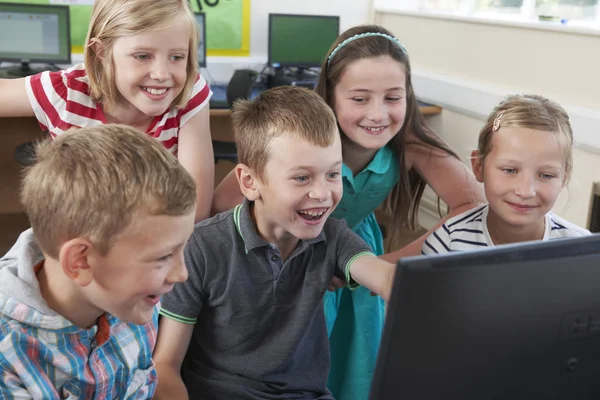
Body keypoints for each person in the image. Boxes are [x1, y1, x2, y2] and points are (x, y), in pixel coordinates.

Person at [211, 25, 485, 399]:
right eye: (359, 98)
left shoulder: (411, 142)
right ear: (329, 97)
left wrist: (389, 262)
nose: (378, 113)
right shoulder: (297, 140)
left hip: (357, 255)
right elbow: (224, 203)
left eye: (393, 97)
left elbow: (471, 204)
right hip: (288, 262)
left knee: (352, 368)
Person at [153, 86, 397, 400]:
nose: (322, 193)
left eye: (333, 174)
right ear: (250, 182)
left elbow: (384, 277)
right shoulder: (202, 248)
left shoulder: (334, 237)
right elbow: (165, 365)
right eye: (302, 178)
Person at [0, 124, 195, 398]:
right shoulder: (9, 359)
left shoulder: (131, 300)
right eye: (163, 256)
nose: (181, 274)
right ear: (81, 261)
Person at [0, 0, 213, 222]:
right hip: (81, 231)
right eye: (142, 56)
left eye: (176, 57)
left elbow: (195, 211)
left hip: (155, 237)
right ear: (101, 52)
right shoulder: (64, 91)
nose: (161, 73)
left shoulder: (190, 93)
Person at [422, 94, 589, 254]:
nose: (525, 191)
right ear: (479, 167)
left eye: (546, 175)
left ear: (564, 177)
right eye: (510, 170)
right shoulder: (446, 243)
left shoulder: (583, 250)